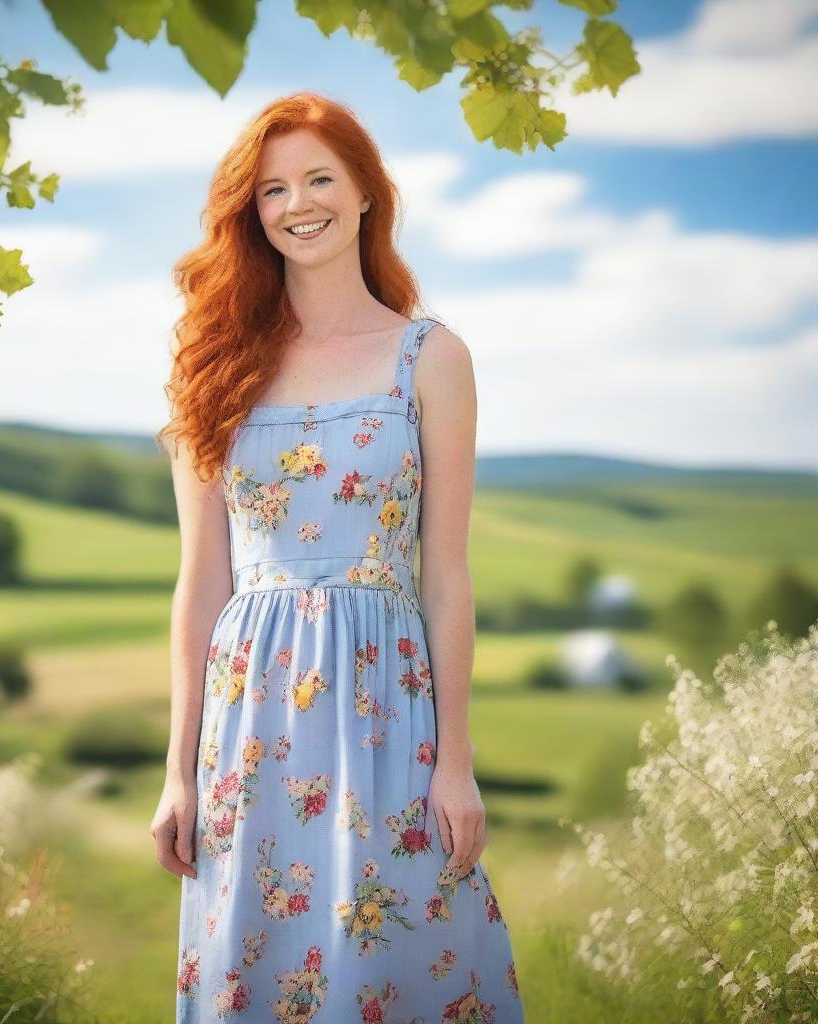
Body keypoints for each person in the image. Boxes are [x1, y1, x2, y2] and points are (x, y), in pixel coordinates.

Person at [153, 91, 524, 1023]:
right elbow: (202, 583)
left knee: (411, 947)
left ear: (366, 193)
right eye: (273, 188)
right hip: (248, 721)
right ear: (253, 211)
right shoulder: (214, 359)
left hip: (388, 710)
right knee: (260, 964)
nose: (298, 203)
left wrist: (457, 760)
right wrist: (177, 771)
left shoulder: (430, 357)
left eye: (320, 177)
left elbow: (445, 574)